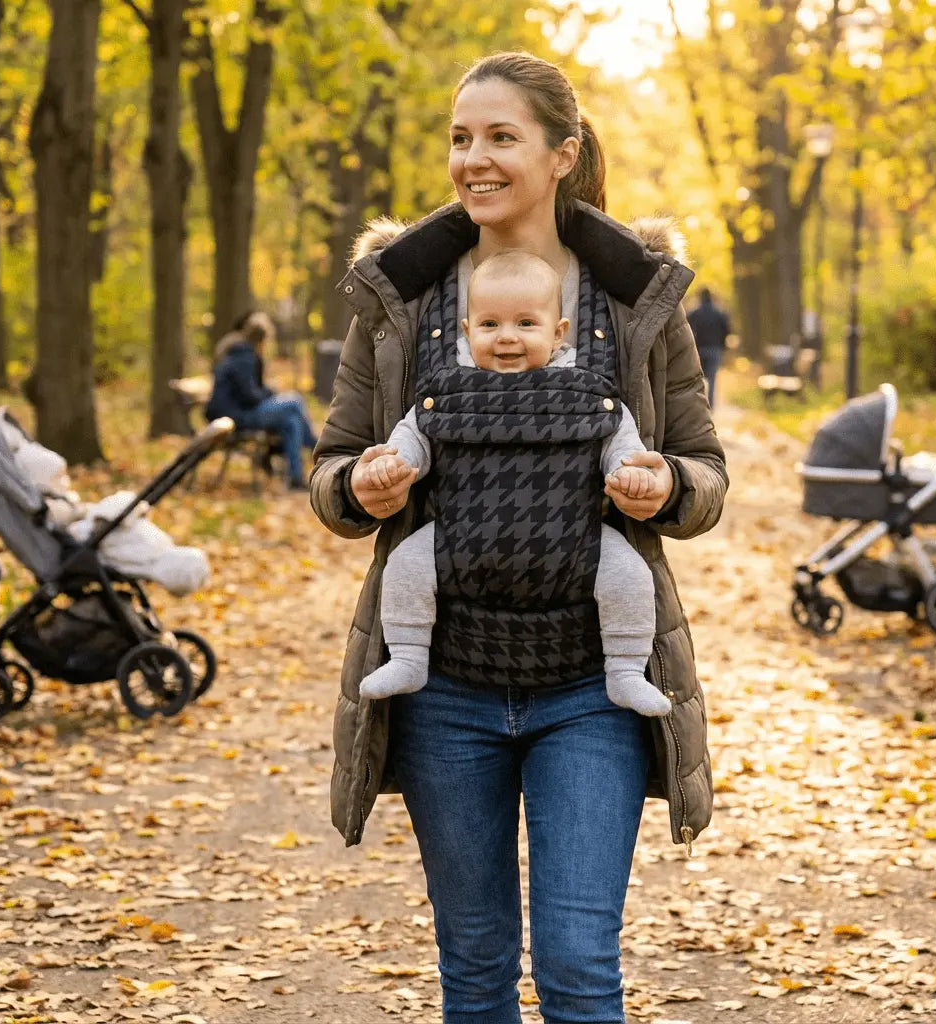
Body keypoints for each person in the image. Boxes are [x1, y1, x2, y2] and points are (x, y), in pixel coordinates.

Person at [309, 51, 727, 1024]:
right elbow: (332, 466)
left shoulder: (636, 296)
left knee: (579, 966)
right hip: (444, 689)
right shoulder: (402, 299)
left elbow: (706, 476)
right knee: (476, 966)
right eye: (461, 138)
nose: (474, 158)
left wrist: (665, 485)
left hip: (593, 687)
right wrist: (355, 487)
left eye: (501, 136)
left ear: (560, 153)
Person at [357, 250, 670, 717]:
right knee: (404, 565)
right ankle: (406, 654)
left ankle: (625, 668)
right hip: (458, 537)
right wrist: (393, 465)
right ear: (466, 330)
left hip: (575, 536)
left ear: (558, 331)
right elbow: (412, 436)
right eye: (489, 325)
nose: (506, 337)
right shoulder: (447, 392)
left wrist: (631, 473)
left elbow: (621, 442)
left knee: (629, 575)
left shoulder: (589, 393)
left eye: (526, 323)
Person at [205, 311, 318, 490]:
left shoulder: (239, 354)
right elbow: (249, 396)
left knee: (291, 421)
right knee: (295, 401)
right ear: (263, 340)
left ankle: (295, 478)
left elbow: (250, 390)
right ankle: (317, 448)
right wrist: (270, 393)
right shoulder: (245, 358)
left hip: (235, 414)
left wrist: (268, 392)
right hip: (235, 418)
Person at [686, 287, 730, 407]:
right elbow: (727, 330)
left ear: (701, 298)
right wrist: (722, 345)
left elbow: (685, 329)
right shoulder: (719, 313)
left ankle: (699, 406)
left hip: (698, 350)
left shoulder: (694, 313)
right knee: (712, 379)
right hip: (715, 349)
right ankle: (709, 406)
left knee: (698, 379)